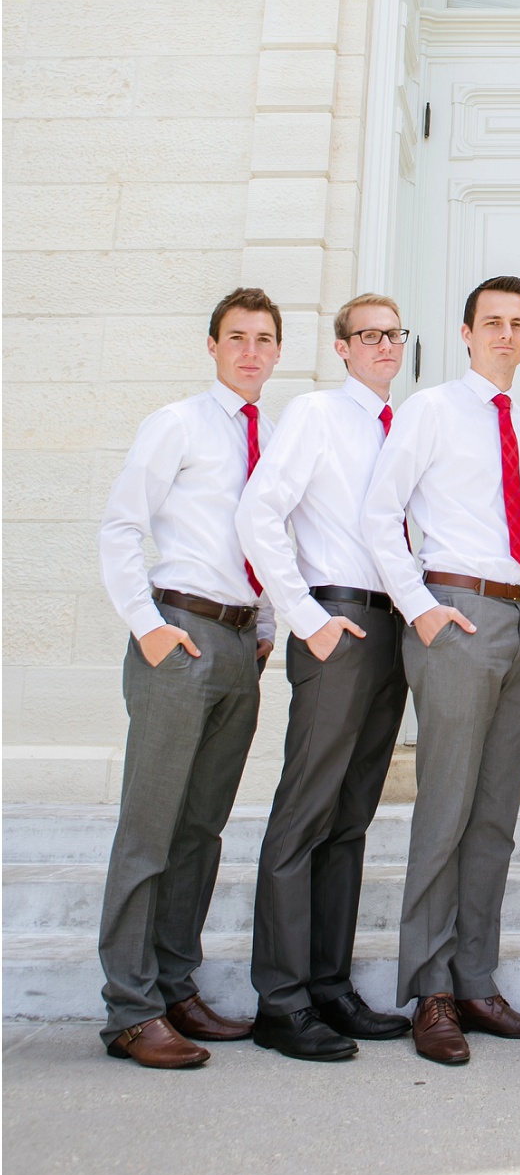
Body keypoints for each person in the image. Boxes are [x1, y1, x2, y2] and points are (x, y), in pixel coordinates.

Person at [362, 276, 520, 1064]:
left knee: (495, 818)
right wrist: (420, 608)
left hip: (519, 625)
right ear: (467, 333)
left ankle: (477, 981)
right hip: (455, 613)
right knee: (444, 808)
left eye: (518, 324)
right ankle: (431, 990)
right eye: (492, 323)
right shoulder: (431, 410)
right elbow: (380, 515)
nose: (505, 335)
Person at [96, 287, 281, 1069]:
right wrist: (151, 629)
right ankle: (130, 1009)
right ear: (212, 346)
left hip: (241, 648)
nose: (249, 351)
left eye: (263, 339)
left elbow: (268, 536)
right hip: (180, 635)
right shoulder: (178, 423)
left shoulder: (273, 437)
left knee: (201, 830)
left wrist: (267, 628)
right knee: (151, 829)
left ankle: (175, 984)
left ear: (276, 352)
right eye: (236, 337)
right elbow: (120, 527)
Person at [236, 294, 412, 1062]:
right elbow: (258, 514)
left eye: (393, 335)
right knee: (305, 814)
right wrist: (305, 616)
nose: (382, 345)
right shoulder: (315, 415)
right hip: (335, 622)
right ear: (342, 348)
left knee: (350, 819)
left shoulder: (405, 427)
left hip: (393, 629)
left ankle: (330, 988)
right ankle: (280, 1000)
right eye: (367, 335)